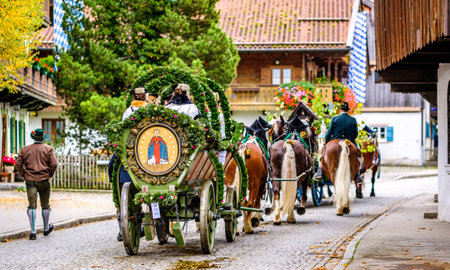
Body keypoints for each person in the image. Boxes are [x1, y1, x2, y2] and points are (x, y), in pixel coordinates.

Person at [15, 128, 57, 240]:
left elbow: (18, 164)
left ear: (33, 137)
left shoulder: (25, 149)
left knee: (32, 205)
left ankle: (33, 232)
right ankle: (46, 229)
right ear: (43, 138)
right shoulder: (49, 149)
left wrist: (24, 175)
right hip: (44, 180)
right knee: (45, 204)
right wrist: (49, 174)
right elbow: (54, 164)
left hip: (30, 180)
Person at [313, 102, 362, 181]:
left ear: (340, 110)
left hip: (335, 140)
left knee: (321, 154)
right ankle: (358, 174)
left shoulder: (334, 119)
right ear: (347, 110)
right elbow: (355, 134)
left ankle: (320, 171)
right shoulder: (353, 120)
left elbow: (328, 134)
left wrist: (327, 143)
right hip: (349, 141)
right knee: (359, 156)